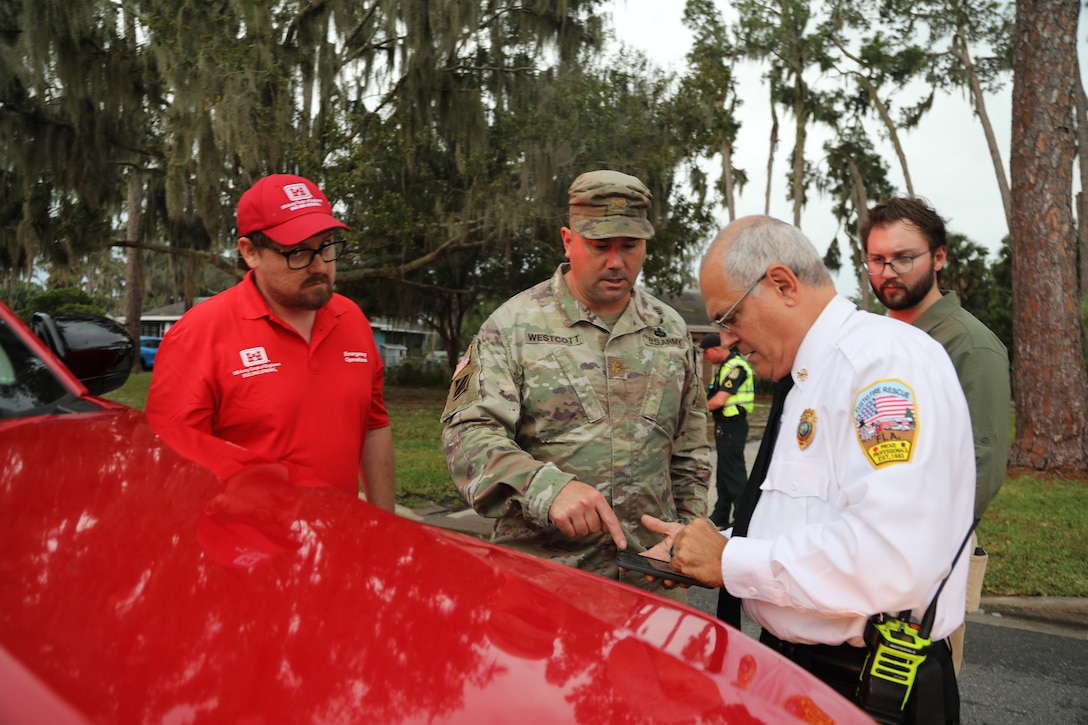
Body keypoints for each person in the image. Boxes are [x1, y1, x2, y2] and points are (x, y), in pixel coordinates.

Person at [642, 216, 974, 723]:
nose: (726, 340)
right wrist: (704, 549)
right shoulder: (810, 376)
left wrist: (731, 560)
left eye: (728, 317)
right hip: (806, 673)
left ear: (782, 284)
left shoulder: (881, 366)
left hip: (869, 685)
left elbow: (893, 556)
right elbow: (806, 518)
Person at [441, 169, 711, 601]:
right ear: (568, 240)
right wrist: (547, 488)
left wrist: (687, 532)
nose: (617, 262)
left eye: (630, 246)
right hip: (542, 586)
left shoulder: (671, 330)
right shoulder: (512, 326)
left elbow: (691, 446)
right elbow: (466, 435)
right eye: (600, 246)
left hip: (650, 585)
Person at [146, 173, 396, 511]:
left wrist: (383, 526)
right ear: (250, 253)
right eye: (297, 252)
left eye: (327, 245)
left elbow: (373, 426)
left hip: (338, 543)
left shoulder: (351, 319)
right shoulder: (199, 335)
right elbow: (171, 470)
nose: (320, 266)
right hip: (246, 551)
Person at [861, 196, 1011, 673]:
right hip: (853, 563)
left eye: (905, 258)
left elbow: (982, 467)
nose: (889, 272)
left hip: (922, 575)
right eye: (877, 259)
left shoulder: (970, 345)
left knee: (909, 699)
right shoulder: (871, 337)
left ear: (939, 258)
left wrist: (915, 557)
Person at [699, 332, 755, 527]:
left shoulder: (736, 367)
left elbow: (719, 400)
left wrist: (695, 411)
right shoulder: (724, 367)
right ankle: (721, 513)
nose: (705, 358)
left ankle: (742, 517)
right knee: (723, 472)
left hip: (734, 425)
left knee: (734, 472)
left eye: (706, 353)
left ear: (715, 349)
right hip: (724, 425)